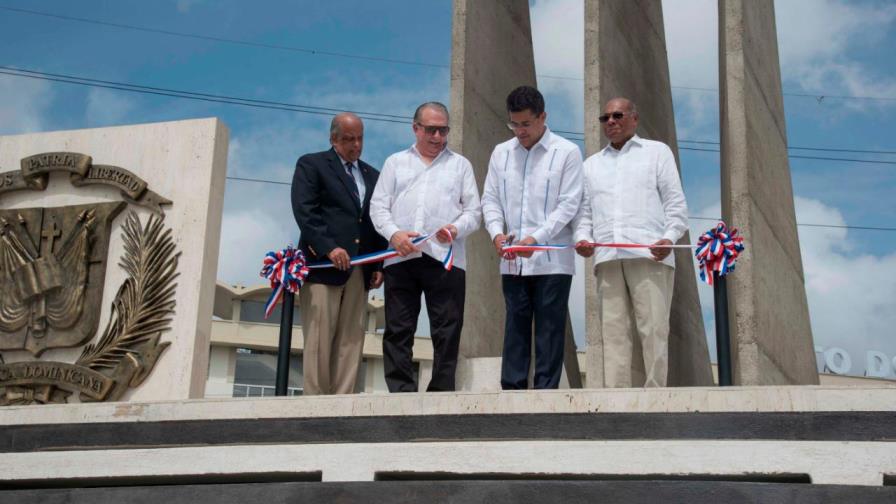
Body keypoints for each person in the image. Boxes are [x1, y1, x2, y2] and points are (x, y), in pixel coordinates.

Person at [574, 97, 688, 388]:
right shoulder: (591, 165)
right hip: (608, 259)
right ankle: (616, 400)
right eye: (605, 118)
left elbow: (676, 205)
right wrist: (583, 239)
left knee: (653, 329)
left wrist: (669, 238)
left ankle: (655, 397)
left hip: (650, 255)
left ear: (634, 119)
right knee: (612, 333)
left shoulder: (657, 153)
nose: (610, 121)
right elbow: (583, 214)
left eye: (618, 115)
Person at [369, 101, 481, 392]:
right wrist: (395, 235)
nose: (437, 137)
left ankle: (441, 393)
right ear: (415, 128)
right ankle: (401, 393)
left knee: (447, 330)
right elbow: (378, 208)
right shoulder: (395, 162)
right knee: (398, 328)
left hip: (446, 259)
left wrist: (455, 228)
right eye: (431, 130)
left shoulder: (460, 165)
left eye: (443, 130)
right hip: (401, 258)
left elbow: (474, 213)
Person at [481, 85, 583, 390]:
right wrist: (497, 234)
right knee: (515, 326)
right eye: (514, 124)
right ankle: (511, 393)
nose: (520, 131)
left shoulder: (566, 152)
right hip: (512, 261)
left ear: (543, 117)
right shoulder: (501, 153)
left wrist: (536, 239)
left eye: (526, 124)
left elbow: (569, 204)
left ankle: (545, 396)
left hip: (552, 261)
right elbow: (490, 199)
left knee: (550, 331)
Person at [291, 112, 387, 395]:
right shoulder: (312, 165)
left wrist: (379, 263)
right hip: (323, 267)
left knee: (351, 337)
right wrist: (329, 247)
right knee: (319, 337)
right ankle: (316, 402)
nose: (356, 145)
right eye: (348, 139)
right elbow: (305, 212)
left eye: (360, 138)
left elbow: (376, 221)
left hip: (359, 269)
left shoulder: (373, 175)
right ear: (333, 139)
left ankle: (343, 401)